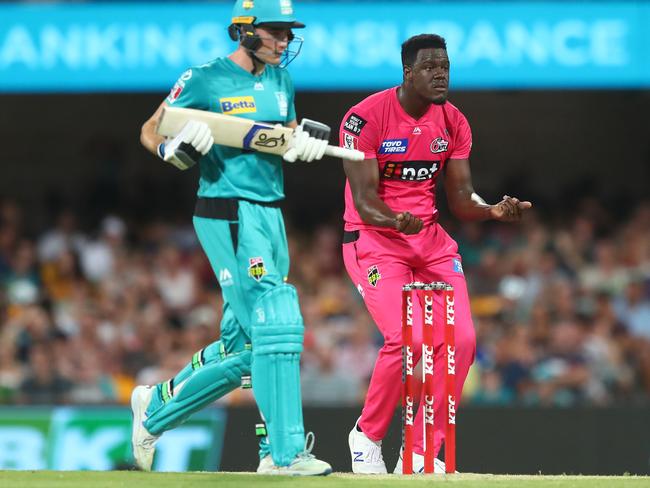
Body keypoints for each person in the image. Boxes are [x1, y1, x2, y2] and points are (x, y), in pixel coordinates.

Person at [133, 0, 332, 476]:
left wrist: (298, 141)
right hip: (227, 211)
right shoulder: (203, 78)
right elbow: (151, 128)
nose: (285, 41)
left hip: (270, 212)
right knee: (275, 325)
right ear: (244, 31)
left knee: (245, 344)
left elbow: (278, 136)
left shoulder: (281, 79)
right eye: (275, 32)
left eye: (289, 33)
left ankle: (156, 407)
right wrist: (170, 149)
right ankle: (283, 455)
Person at [340, 33, 532, 474]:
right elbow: (365, 199)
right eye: (429, 67)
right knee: (405, 338)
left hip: (430, 243)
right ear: (408, 73)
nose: (440, 74)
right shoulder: (363, 118)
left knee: (461, 340)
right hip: (374, 242)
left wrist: (493, 211)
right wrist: (392, 220)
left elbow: (462, 199)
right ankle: (366, 437)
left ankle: (422, 451)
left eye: (445, 66)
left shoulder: (454, 122)